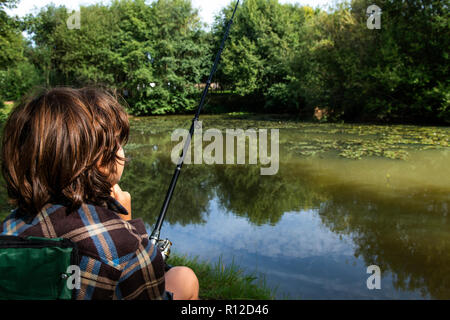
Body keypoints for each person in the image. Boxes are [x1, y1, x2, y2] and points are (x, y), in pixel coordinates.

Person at [0, 87, 199, 300]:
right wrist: (128, 229)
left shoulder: (11, 226)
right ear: (101, 161)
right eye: (119, 143)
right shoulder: (123, 245)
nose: (123, 150)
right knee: (184, 277)